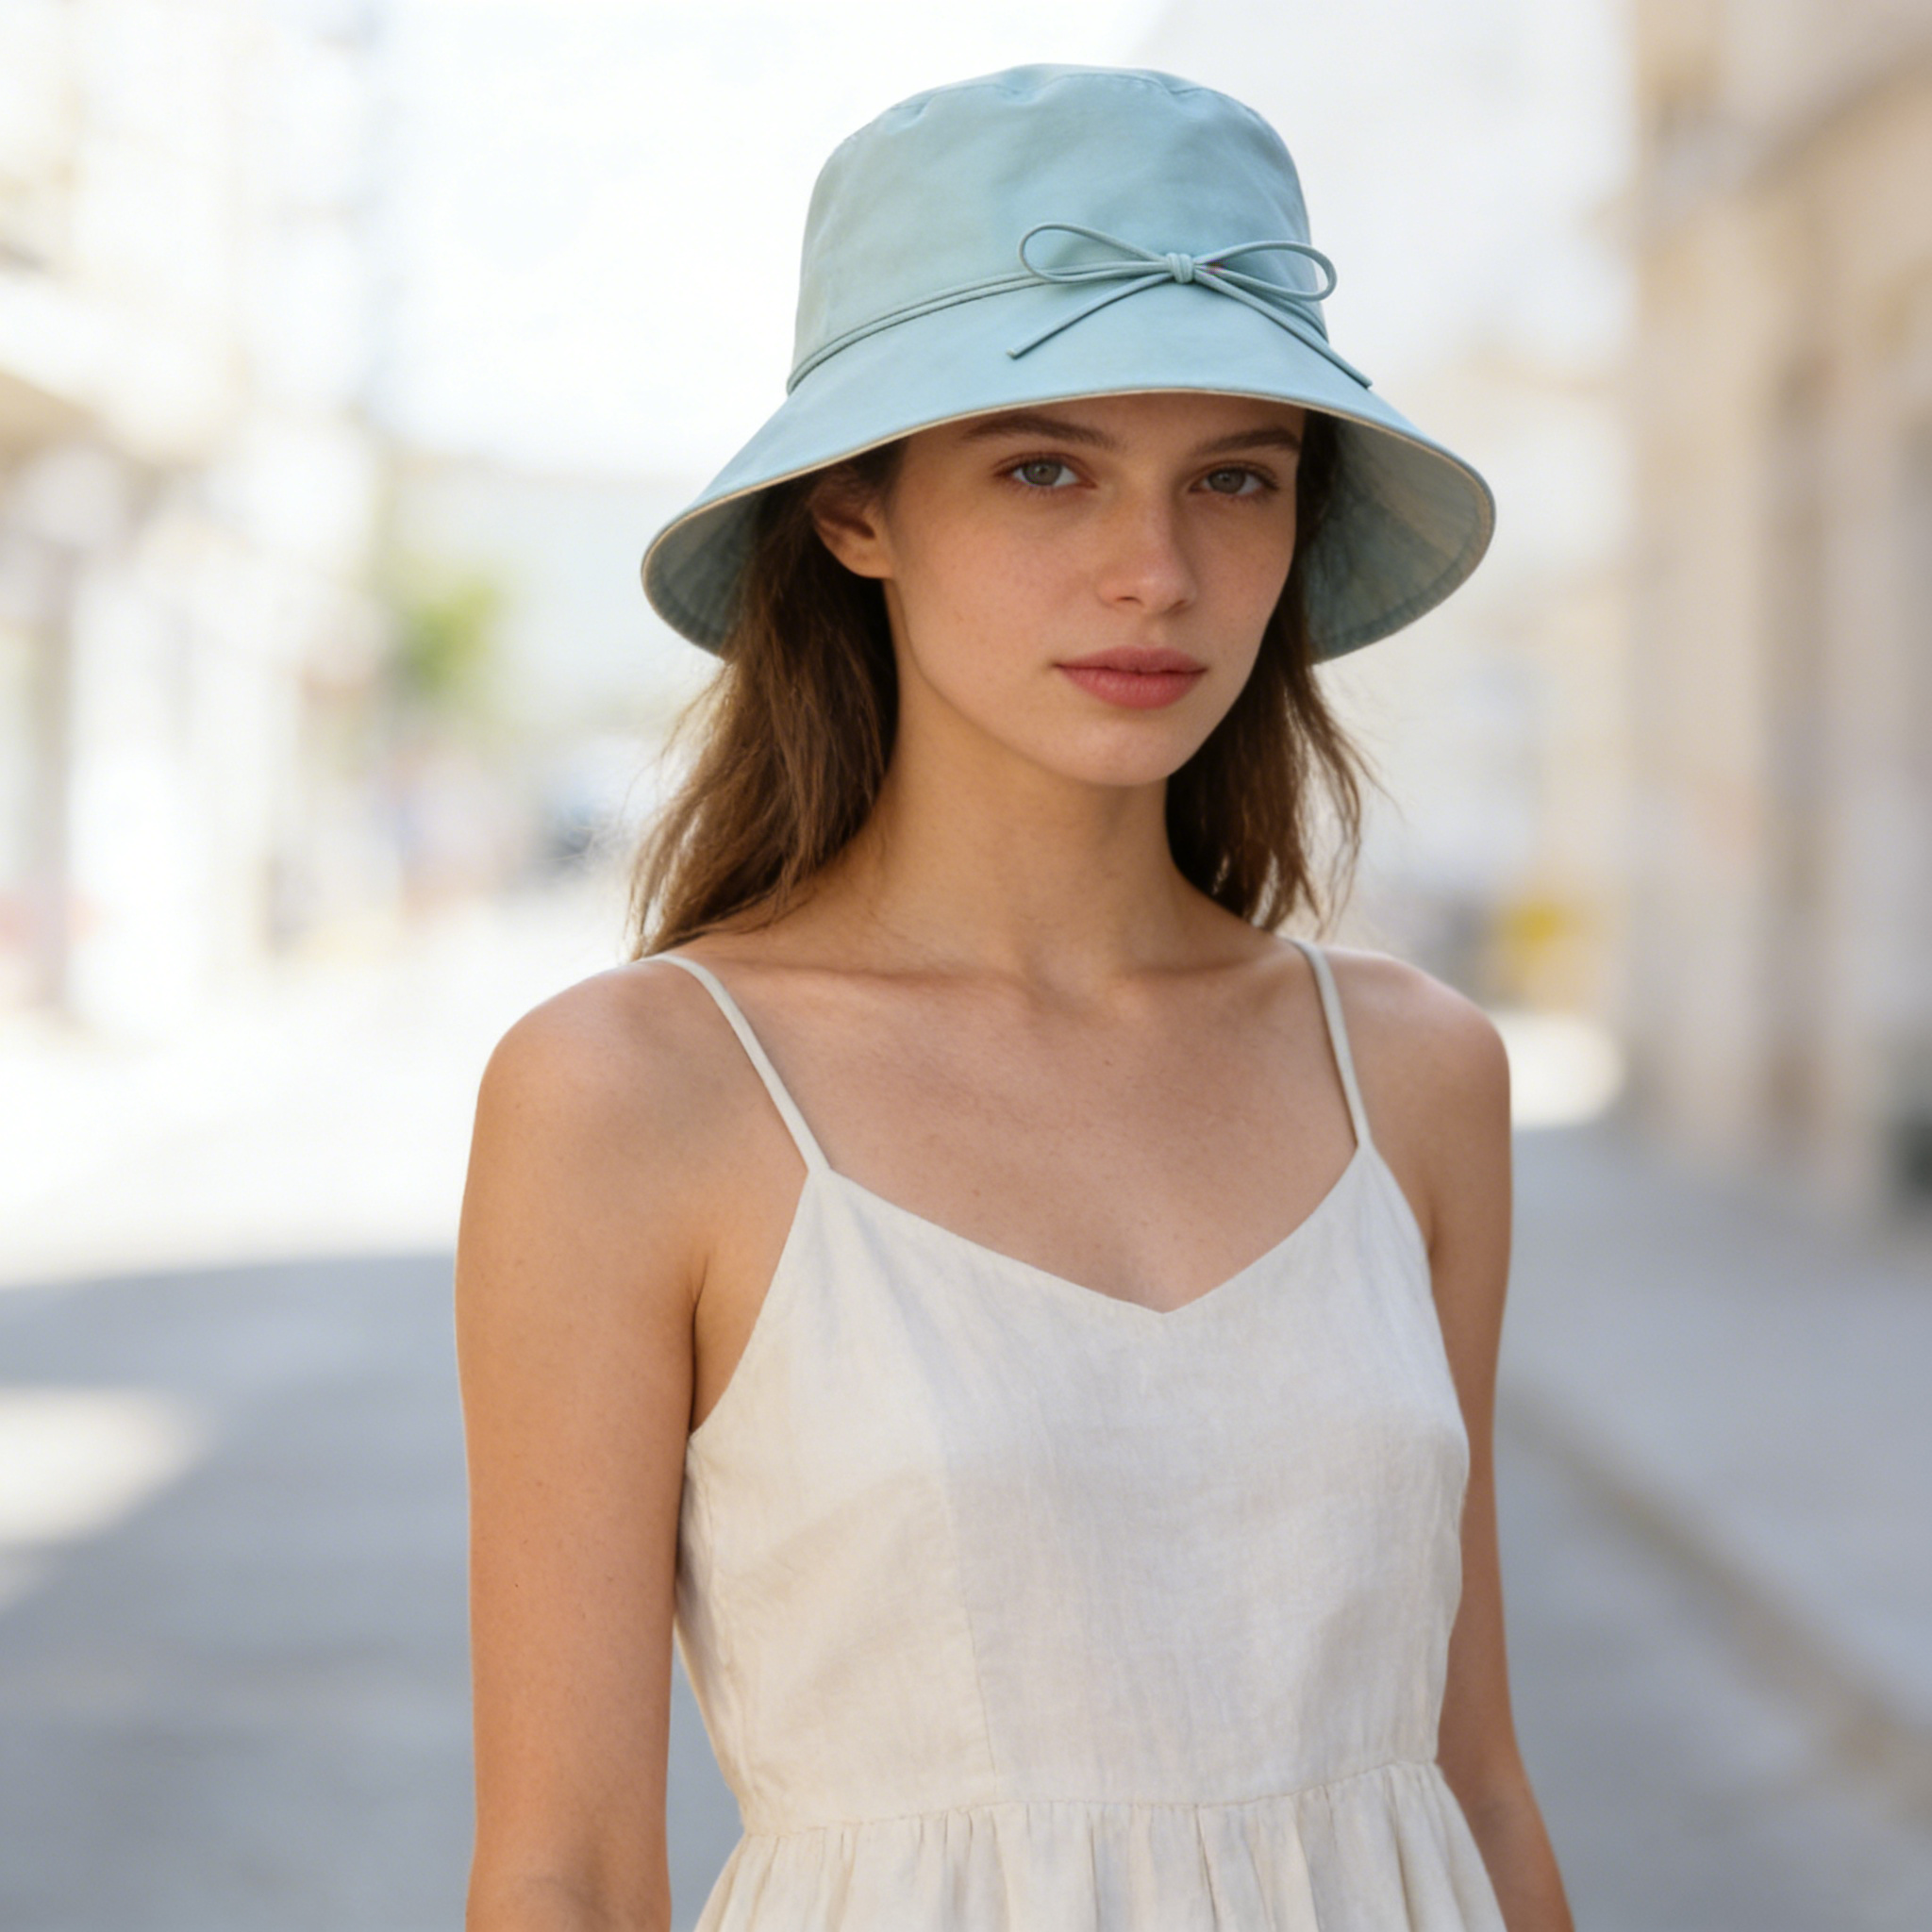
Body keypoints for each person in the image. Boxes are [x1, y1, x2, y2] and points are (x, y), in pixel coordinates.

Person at [456, 61, 1574, 1932]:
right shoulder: (635, 1091)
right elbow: (561, 1869)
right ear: (854, 512)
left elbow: (1469, 1780)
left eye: (1234, 476)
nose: (1156, 572)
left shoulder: (1417, 1074)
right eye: (1043, 466)